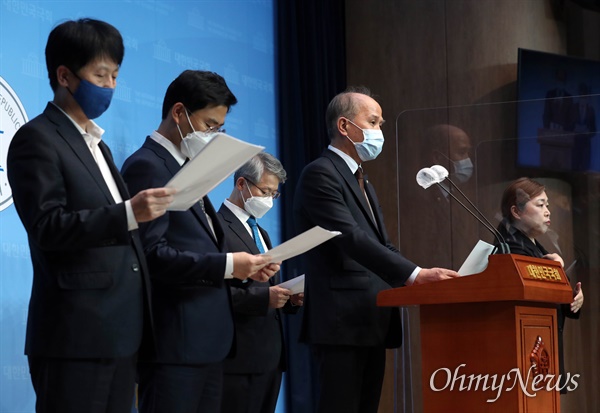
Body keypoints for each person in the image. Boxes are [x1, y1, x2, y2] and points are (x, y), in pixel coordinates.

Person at [6, 18, 175, 413]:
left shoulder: (100, 147)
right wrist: (128, 214)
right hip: (76, 334)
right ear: (64, 75)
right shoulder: (37, 138)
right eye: (101, 75)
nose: (111, 86)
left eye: (116, 75)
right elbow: (48, 226)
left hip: (121, 330)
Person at [293, 86, 459, 413]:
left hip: (370, 317)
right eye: (373, 122)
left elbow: (382, 244)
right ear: (344, 126)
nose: (379, 132)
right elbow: (351, 237)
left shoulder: (362, 180)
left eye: (381, 124)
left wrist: (420, 276)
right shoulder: (320, 174)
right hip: (341, 321)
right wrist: (414, 275)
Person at [121, 70, 279, 413]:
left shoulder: (188, 167)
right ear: (178, 113)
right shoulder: (147, 166)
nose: (214, 136)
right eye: (209, 126)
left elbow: (200, 246)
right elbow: (151, 254)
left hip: (208, 344)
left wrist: (244, 270)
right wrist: (227, 265)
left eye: (219, 129)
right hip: (174, 343)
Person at [217, 152, 303, 413]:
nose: (269, 200)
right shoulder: (216, 226)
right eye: (265, 191)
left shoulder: (261, 231)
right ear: (241, 184)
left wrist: (289, 298)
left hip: (271, 358)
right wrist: (264, 298)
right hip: (238, 359)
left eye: (274, 195)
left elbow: (267, 286)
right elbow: (215, 292)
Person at [497, 177, 584, 392]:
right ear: (516, 212)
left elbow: (550, 299)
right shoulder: (511, 248)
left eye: (548, 205)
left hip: (542, 351)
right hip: (528, 358)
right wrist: (557, 271)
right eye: (540, 205)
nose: (548, 211)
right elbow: (529, 294)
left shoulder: (534, 245)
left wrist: (573, 298)